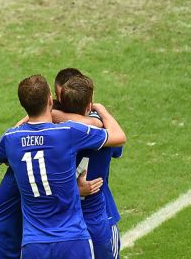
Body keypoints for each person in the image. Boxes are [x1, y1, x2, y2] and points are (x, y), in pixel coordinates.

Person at [0, 74, 126, 259]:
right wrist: (100, 111)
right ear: (49, 100)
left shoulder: (11, 139)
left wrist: (20, 125)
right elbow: (118, 137)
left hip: (33, 244)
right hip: (73, 238)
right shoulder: (66, 132)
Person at [61, 75, 123, 259]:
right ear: (89, 105)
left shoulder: (55, 133)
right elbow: (117, 149)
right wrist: (102, 112)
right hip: (100, 217)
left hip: (65, 220)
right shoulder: (104, 131)